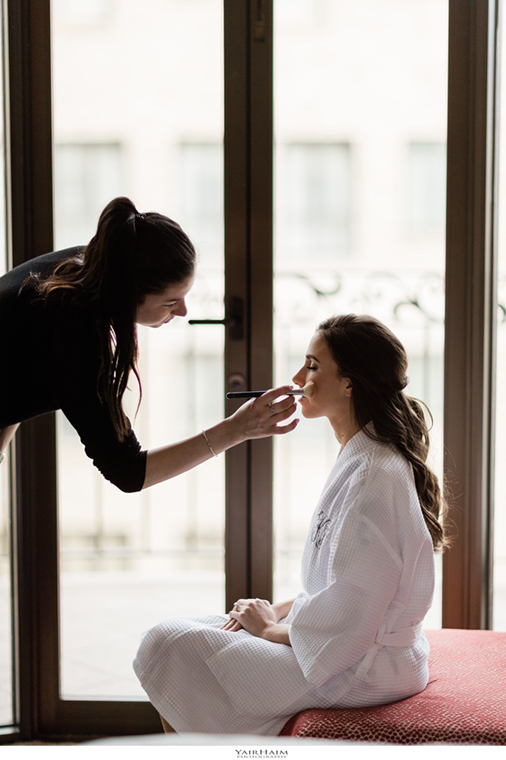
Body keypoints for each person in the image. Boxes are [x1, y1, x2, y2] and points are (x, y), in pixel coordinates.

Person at [133, 314, 448, 736]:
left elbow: (354, 616)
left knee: (168, 644)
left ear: (349, 383)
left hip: (364, 667)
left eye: (313, 366)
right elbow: (341, 592)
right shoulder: (362, 455)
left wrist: (267, 628)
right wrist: (277, 612)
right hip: (343, 647)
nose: (298, 377)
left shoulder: (375, 475)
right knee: (193, 634)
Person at [0, 196, 298, 490]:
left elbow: (14, 368)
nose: (182, 311)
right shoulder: (72, 334)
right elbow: (128, 471)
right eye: (170, 302)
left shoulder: (90, 265)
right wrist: (236, 429)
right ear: (128, 293)